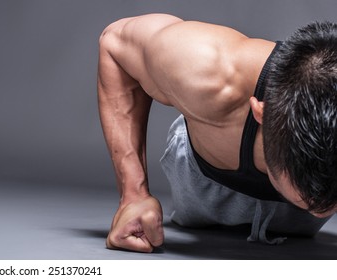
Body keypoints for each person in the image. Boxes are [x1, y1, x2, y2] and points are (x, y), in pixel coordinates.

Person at [97, 13, 337, 253]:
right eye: (307, 197)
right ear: (261, 113)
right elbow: (115, 42)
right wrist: (133, 195)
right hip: (203, 181)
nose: (318, 211)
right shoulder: (209, 70)